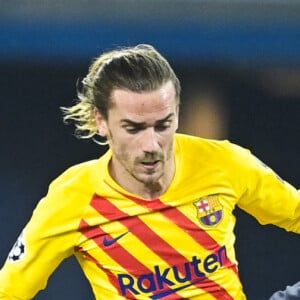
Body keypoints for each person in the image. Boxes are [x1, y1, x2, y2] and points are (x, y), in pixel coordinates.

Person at [0, 44, 299, 299]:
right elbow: (10, 290)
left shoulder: (225, 163)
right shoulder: (72, 198)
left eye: (163, 124)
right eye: (134, 128)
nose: (151, 144)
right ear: (101, 121)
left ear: (177, 113)